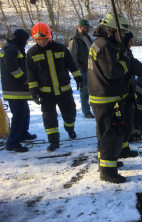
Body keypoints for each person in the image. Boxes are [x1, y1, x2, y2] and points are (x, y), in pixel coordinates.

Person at [88, 12, 133, 183]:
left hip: (103, 97)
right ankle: (108, 172)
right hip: (107, 98)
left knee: (104, 133)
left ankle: (105, 163)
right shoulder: (106, 46)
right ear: (112, 30)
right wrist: (124, 61)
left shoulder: (101, 43)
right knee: (111, 134)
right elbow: (112, 72)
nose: (123, 35)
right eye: (121, 32)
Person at [26, 22, 83, 152]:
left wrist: (79, 79)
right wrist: (34, 92)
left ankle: (70, 128)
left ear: (49, 36)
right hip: (46, 94)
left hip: (64, 91)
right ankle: (54, 141)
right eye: (38, 40)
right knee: (49, 119)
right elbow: (31, 75)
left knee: (70, 114)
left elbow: (72, 65)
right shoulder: (31, 53)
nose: (42, 42)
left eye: (44, 39)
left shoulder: (61, 48)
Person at [0, 29, 37, 152]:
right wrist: (22, 78)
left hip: (17, 89)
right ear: (20, 38)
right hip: (13, 88)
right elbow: (10, 65)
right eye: (26, 40)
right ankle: (13, 142)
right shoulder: (11, 48)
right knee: (19, 114)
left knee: (24, 111)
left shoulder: (13, 47)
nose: (26, 43)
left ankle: (23, 133)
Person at [68, 19, 94, 119]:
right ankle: (86, 111)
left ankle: (94, 109)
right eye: (86, 28)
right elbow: (72, 58)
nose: (88, 30)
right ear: (79, 27)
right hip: (82, 69)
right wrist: (78, 71)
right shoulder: (74, 40)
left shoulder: (88, 38)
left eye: (88, 28)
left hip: (91, 68)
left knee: (93, 89)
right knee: (84, 91)